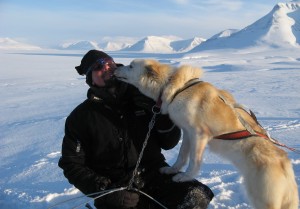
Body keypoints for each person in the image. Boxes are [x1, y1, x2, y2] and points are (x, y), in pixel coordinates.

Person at [58, 50, 214, 209]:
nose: (106, 68)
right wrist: (105, 191)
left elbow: (169, 143)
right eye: (98, 66)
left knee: (197, 195)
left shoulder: (145, 98)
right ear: (90, 78)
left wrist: (161, 114)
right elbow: (71, 164)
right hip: (115, 186)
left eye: (110, 62)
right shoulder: (81, 117)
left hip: (154, 174)